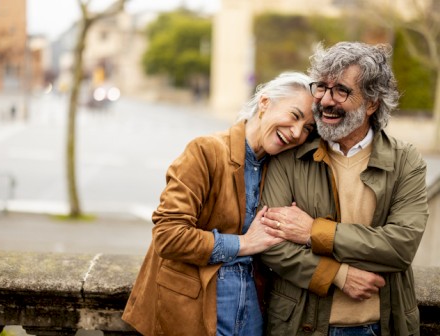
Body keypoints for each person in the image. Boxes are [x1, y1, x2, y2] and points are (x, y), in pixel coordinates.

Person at [122, 72, 316, 336]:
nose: (296, 132)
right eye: (294, 115)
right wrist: (243, 243)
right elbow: (168, 236)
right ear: (265, 103)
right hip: (193, 314)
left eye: (307, 128)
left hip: (251, 318)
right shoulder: (206, 151)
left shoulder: (280, 168)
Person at [259, 41, 429, 336]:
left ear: (372, 103)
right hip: (301, 325)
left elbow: (401, 246)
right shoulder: (290, 155)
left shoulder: (406, 161)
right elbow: (272, 244)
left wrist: (313, 231)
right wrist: (337, 274)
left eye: (341, 91)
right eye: (322, 87)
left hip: (383, 325)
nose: (325, 100)